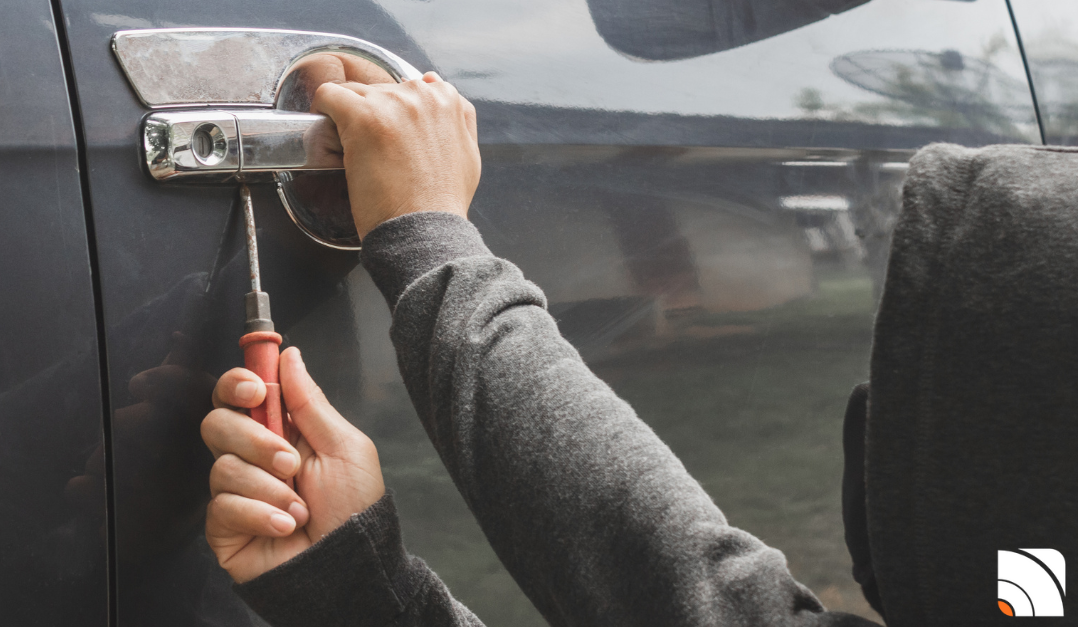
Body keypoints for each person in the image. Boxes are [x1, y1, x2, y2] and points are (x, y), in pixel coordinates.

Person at [198, 71, 1078, 625]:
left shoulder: (1027, 586)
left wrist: (431, 245)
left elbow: (694, 598)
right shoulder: (1033, 589)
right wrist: (357, 590)